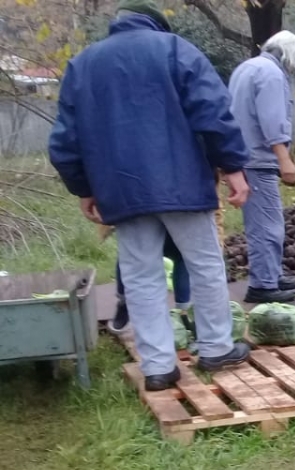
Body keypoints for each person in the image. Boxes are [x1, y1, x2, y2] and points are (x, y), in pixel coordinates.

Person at [48, 0, 252, 391]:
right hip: (184, 185)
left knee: (142, 277)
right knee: (206, 265)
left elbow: (64, 141)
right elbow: (212, 111)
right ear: (157, 26)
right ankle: (215, 348)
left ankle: (158, 366)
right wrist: (233, 166)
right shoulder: (176, 50)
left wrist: (84, 187)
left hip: (122, 191)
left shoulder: (83, 65)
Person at [228, 30, 295, 304]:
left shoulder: (247, 67)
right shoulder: (271, 74)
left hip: (241, 157)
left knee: (265, 223)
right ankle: (263, 285)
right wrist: (284, 159)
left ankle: (271, 275)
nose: (293, 69)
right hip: (258, 161)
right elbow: (272, 121)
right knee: (267, 226)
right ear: (288, 55)